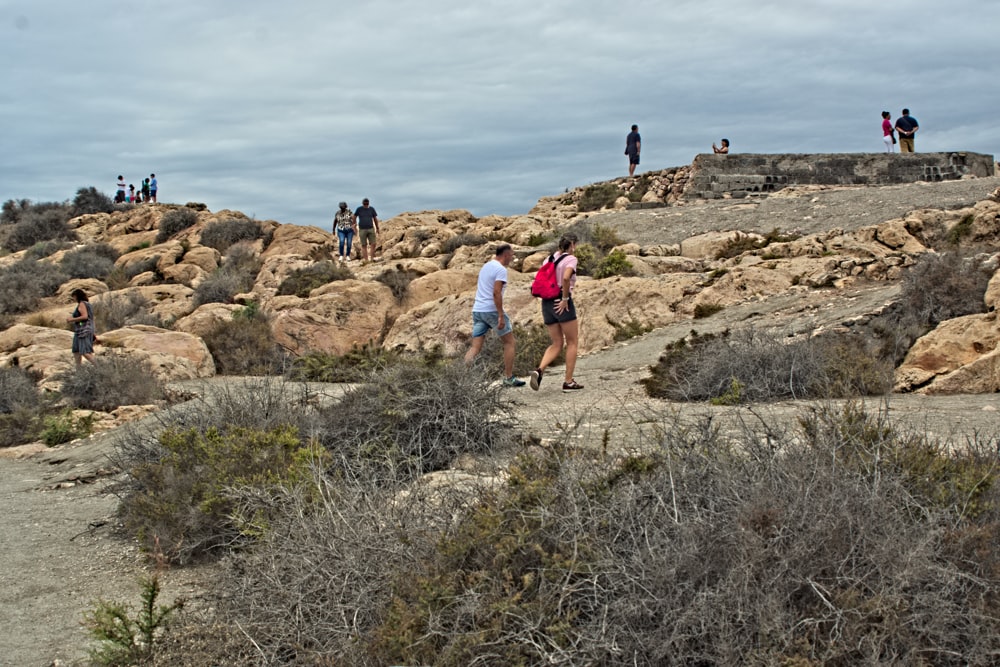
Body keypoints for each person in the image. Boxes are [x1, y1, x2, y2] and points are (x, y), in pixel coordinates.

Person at [464, 244, 525, 387]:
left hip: (478, 309)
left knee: (475, 348)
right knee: (509, 342)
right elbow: (496, 292)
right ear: (505, 255)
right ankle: (509, 377)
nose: (512, 258)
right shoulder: (500, 270)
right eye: (511, 255)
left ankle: (463, 379)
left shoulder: (486, 266)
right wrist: (500, 315)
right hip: (491, 310)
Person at [529, 234, 583, 392]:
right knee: (572, 342)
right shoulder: (571, 259)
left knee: (556, 343)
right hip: (561, 302)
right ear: (572, 244)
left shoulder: (549, 259)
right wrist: (565, 298)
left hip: (546, 303)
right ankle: (568, 381)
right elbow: (566, 278)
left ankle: (539, 370)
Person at [66, 288, 96, 365]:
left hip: (84, 331)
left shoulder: (82, 304)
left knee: (85, 352)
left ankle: (101, 366)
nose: (73, 299)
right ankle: (79, 372)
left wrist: (72, 319)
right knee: (76, 350)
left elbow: (85, 317)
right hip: (80, 330)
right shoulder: (87, 304)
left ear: (77, 296)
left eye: (74, 297)